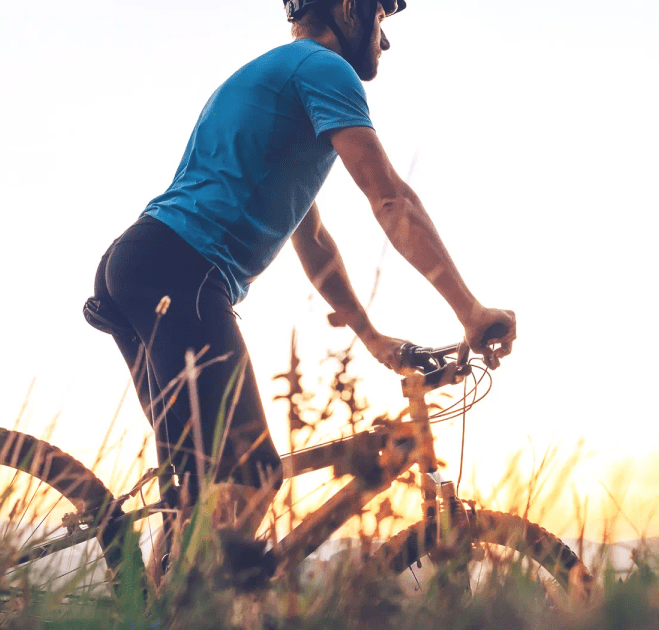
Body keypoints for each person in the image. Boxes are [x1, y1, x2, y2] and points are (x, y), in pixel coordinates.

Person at [84, 0, 517, 546]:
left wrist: (372, 337)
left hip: (142, 264)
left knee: (203, 497)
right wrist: (470, 310)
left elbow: (309, 237)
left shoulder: (275, 78)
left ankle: (158, 608)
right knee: (252, 476)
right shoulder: (324, 68)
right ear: (348, 9)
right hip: (180, 270)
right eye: (382, 19)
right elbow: (389, 198)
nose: (385, 42)